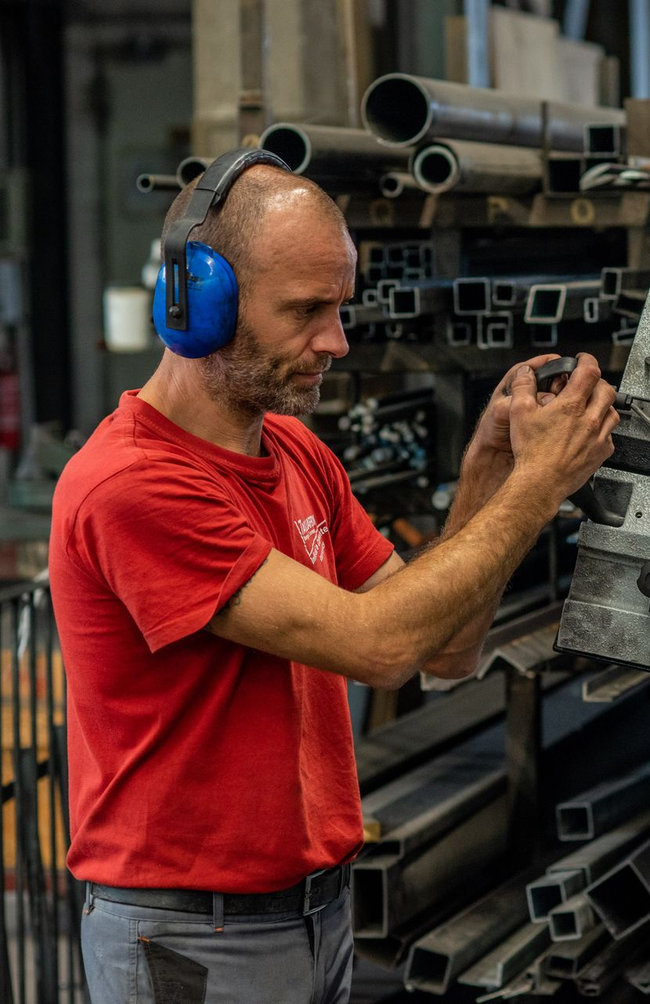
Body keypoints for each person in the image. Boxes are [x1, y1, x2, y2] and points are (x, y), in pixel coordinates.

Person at [49, 156, 619, 1004]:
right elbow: (380, 647)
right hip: (191, 937)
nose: (337, 342)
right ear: (196, 303)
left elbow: (445, 648)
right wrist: (540, 489)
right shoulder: (135, 484)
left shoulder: (295, 454)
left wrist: (491, 472)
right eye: (306, 311)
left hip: (313, 915)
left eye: (340, 307)